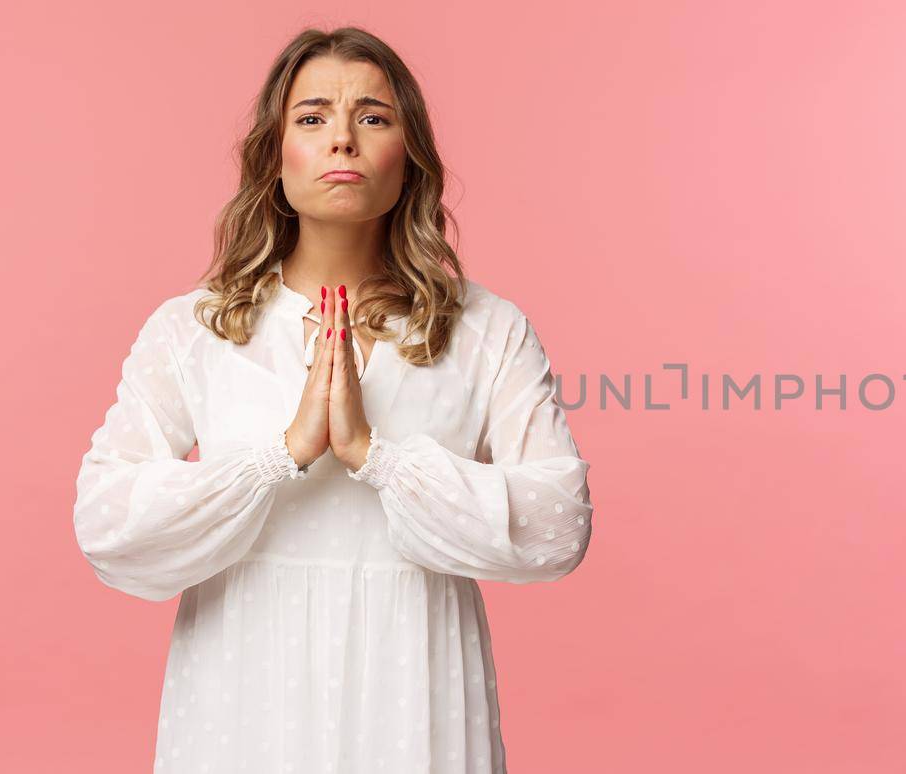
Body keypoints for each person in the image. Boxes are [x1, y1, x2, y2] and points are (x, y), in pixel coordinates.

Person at [70, 26, 593, 773]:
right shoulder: (195, 327)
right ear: (273, 154)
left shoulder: (486, 329)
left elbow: (558, 525)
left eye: (373, 118)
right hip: (243, 690)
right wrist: (279, 457)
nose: (341, 140)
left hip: (417, 686)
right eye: (312, 118)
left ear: (408, 159)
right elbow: (105, 519)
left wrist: (376, 457)